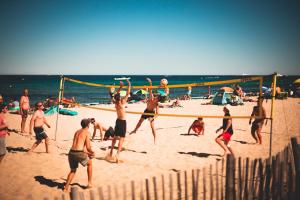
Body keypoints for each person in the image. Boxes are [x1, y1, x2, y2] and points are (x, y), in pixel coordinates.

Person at [63, 118, 95, 192]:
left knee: (73, 171)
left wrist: (88, 153)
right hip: (78, 153)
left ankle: (65, 188)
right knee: (90, 163)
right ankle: (89, 183)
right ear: (88, 125)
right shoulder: (87, 132)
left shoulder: (77, 132)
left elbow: (80, 147)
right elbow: (88, 147)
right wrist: (92, 152)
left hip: (71, 152)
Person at [130, 78, 160, 143]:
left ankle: (155, 138)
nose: (156, 98)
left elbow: (157, 113)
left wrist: (153, 118)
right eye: (156, 97)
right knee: (139, 122)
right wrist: (150, 82)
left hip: (151, 113)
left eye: (157, 98)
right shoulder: (151, 98)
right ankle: (135, 130)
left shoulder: (156, 104)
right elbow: (150, 89)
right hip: (146, 111)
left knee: (152, 127)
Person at [107, 80, 131, 163]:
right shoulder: (122, 102)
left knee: (115, 137)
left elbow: (116, 94)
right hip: (122, 122)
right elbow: (128, 93)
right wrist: (129, 84)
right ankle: (117, 155)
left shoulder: (115, 102)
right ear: (120, 97)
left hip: (117, 121)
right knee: (122, 139)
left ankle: (111, 151)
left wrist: (120, 87)